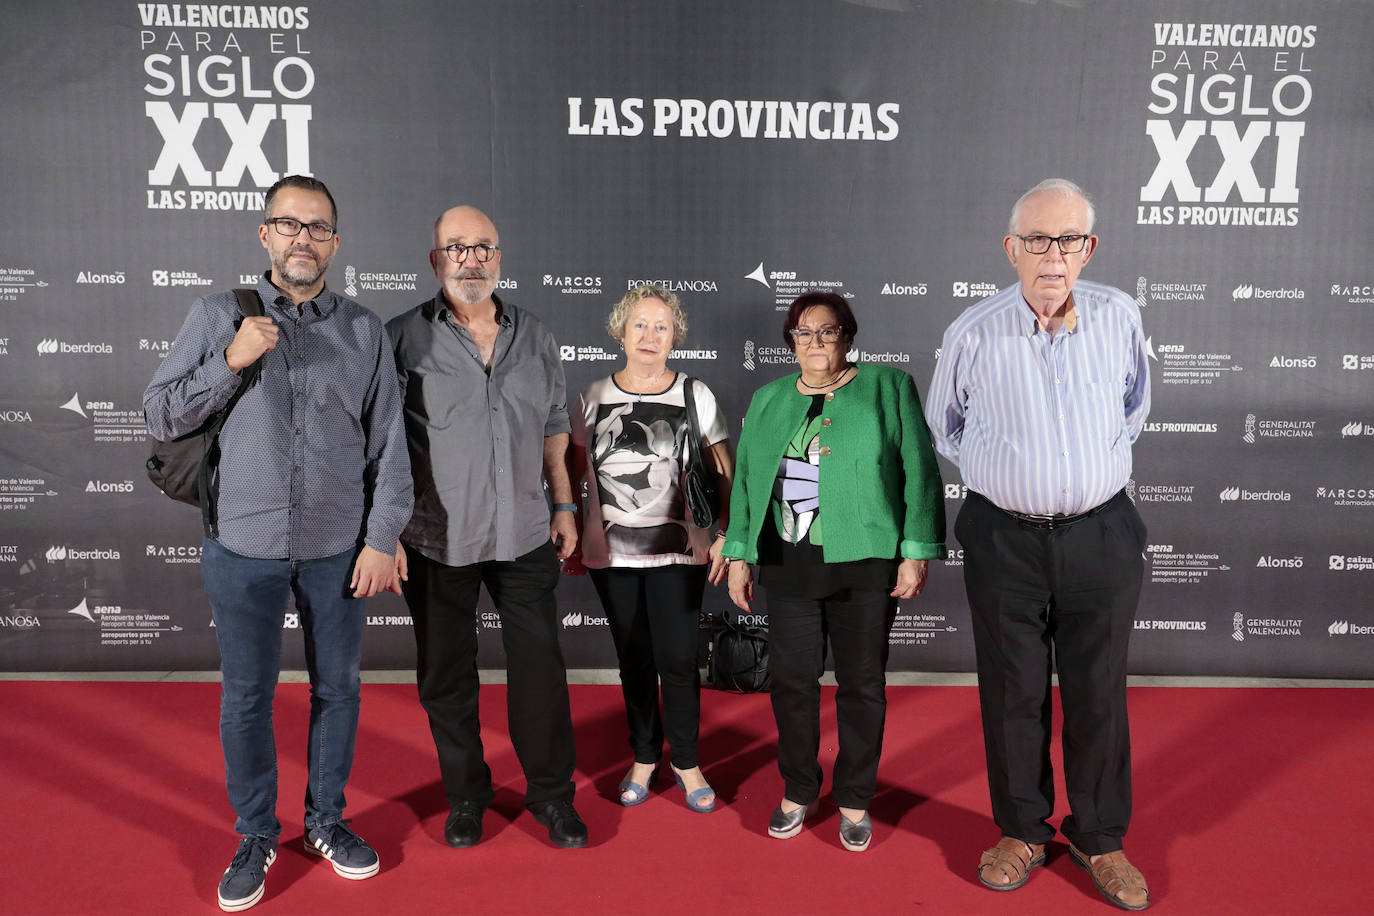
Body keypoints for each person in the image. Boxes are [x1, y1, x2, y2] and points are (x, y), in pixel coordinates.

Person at [144, 175, 412, 912]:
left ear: (335, 241)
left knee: (339, 691)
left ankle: (326, 820)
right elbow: (160, 415)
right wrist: (229, 360)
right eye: (289, 224)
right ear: (265, 235)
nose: (303, 237)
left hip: (337, 548)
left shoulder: (363, 329)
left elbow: (390, 447)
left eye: (318, 227)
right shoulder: (215, 316)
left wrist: (382, 538)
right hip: (243, 544)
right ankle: (256, 833)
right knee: (247, 696)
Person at [927, 178, 1151, 910]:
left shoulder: (1120, 319)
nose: (1051, 256)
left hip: (1101, 535)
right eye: (1035, 241)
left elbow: (1132, 409)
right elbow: (947, 428)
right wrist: (1017, 479)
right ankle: (1022, 829)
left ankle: (1099, 835)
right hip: (1005, 541)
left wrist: (1077, 479)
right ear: (1011, 249)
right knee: (1013, 693)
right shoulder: (973, 331)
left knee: (1096, 692)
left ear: (1088, 249)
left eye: (1066, 241)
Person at [387, 205, 587, 850]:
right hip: (434, 539)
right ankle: (466, 796)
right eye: (456, 247)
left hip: (526, 533)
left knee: (539, 672)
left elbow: (555, 428)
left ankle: (552, 796)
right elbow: (380, 444)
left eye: (482, 247)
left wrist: (563, 506)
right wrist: (383, 532)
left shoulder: (538, 336)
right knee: (446, 676)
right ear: (435, 260)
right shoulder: (399, 338)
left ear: (498, 257)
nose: (470, 259)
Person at [722, 290, 945, 853]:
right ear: (790, 341)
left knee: (862, 685)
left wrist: (916, 549)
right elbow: (747, 482)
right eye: (803, 332)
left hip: (866, 560)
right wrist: (741, 554)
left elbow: (918, 467)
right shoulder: (769, 398)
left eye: (827, 331)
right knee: (793, 684)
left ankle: (854, 798)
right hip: (788, 563)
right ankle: (798, 790)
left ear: (847, 336)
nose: (815, 342)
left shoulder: (886, 386)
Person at [563, 284, 733, 814]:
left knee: (678, 661)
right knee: (633, 659)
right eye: (640, 324)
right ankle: (643, 755)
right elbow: (570, 471)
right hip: (610, 555)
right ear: (620, 331)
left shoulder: (695, 394)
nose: (650, 336)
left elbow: (725, 475)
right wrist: (568, 527)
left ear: (675, 337)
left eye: (661, 327)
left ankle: (685, 760)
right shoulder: (591, 396)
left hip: (680, 552)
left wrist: (729, 534)